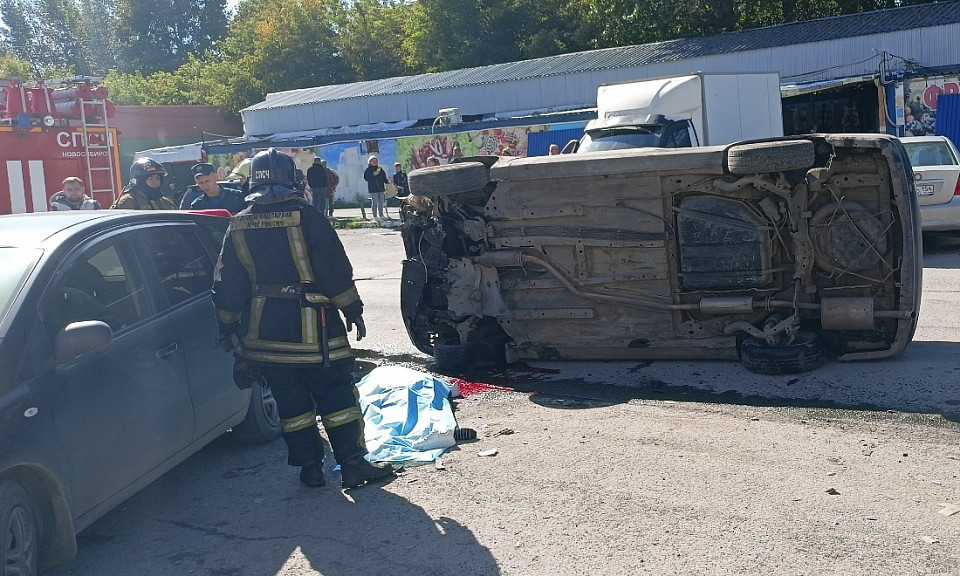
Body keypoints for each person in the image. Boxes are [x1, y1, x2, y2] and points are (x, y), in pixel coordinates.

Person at [212, 148, 393, 490]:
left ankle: (309, 468)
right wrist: (352, 308)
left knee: (291, 406)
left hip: (264, 337)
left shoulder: (237, 223)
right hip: (315, 332)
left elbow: (226, 283)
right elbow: (334, 269)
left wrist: (226, 326)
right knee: (337, 398)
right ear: (293, 180)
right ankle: (352, 465)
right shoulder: (306, 216)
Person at [111, 158, 177, 210]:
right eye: (150, 178)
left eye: (158, 178)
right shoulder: (128, 202)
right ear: (138, 181)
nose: (155, 182)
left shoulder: (166, 203)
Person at [363, 154, 388, 220]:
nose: (375, 162)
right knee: (375, 202)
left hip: (381, 188)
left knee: (381, 202)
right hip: (373, 189)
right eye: (373, 161)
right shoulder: (368, 170)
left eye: (376, 160)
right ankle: (375, 216)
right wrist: (373, 175)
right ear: (370, 162)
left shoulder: (379, 169)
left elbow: (384, 177)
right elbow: (366, 178)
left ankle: (381, 215)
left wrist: (388, 182)